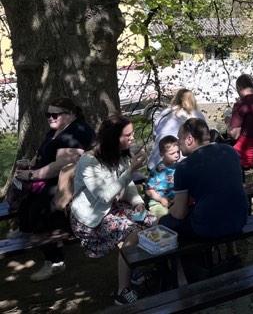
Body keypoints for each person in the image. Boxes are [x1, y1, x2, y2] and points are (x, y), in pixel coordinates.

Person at [70, 115, 156, 305]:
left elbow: (128, 184)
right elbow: (104, 196)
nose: (132, 138)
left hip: (113, 207)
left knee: (153, 221)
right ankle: (122, 291)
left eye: (132, 134)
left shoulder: (120, 153)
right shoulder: (89, 162)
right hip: (91, 219)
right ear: (113, 138)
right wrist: (131, 170)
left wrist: (137, 202)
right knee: (132, 233)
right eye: (128, 135)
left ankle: (138, 269)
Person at [11, 97, 95, 281]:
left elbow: (62, 166)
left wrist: (32, 175)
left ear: (70, 114)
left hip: (69, 183)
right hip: (48, 180)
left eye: (55, 114)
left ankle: (55, 261)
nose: (50, 117)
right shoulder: (56, 130)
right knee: (25, 207)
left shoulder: (77, 131)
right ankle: (32, 236)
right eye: (48, 114)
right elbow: (42, 154)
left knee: (39, 211)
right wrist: (30, 165)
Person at [159, 118, 248, 240]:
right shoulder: (230, 151)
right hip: (240, 220)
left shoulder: (184, 166)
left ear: (189, 139)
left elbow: (179, 213)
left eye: (179, 138)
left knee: (164, 223)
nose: (178, 143)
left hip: (207, 227)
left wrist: (163, 216)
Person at [148, 89, 205, 170]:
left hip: (156, 161)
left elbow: (155, 134)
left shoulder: (164, 113)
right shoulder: (196, 114)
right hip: (178, 163)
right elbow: (203, 138)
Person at [144, 135, 180, 219]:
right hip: (158, 202)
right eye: (172, 153)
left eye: (178, 152)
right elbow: (149, 190)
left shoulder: (180, 167)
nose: (176, 155)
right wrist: (160, 199)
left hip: (175, 201)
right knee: (165, 217)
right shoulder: (157, 170)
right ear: (162, 154)